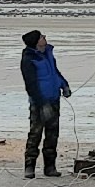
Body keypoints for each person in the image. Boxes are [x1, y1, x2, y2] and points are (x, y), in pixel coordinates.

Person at [20, 30, 71, 179]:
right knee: (35, 134)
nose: (45, 38)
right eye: (42, 37)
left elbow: (55, 72)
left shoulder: (48, 53)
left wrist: (64, 85)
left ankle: (50, 167)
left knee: (52, 134)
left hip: (54, 99)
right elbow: (30, 85)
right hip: (39, 103)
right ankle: (29, 166)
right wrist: (42, 104)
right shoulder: (29, 58)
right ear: (36, 42)